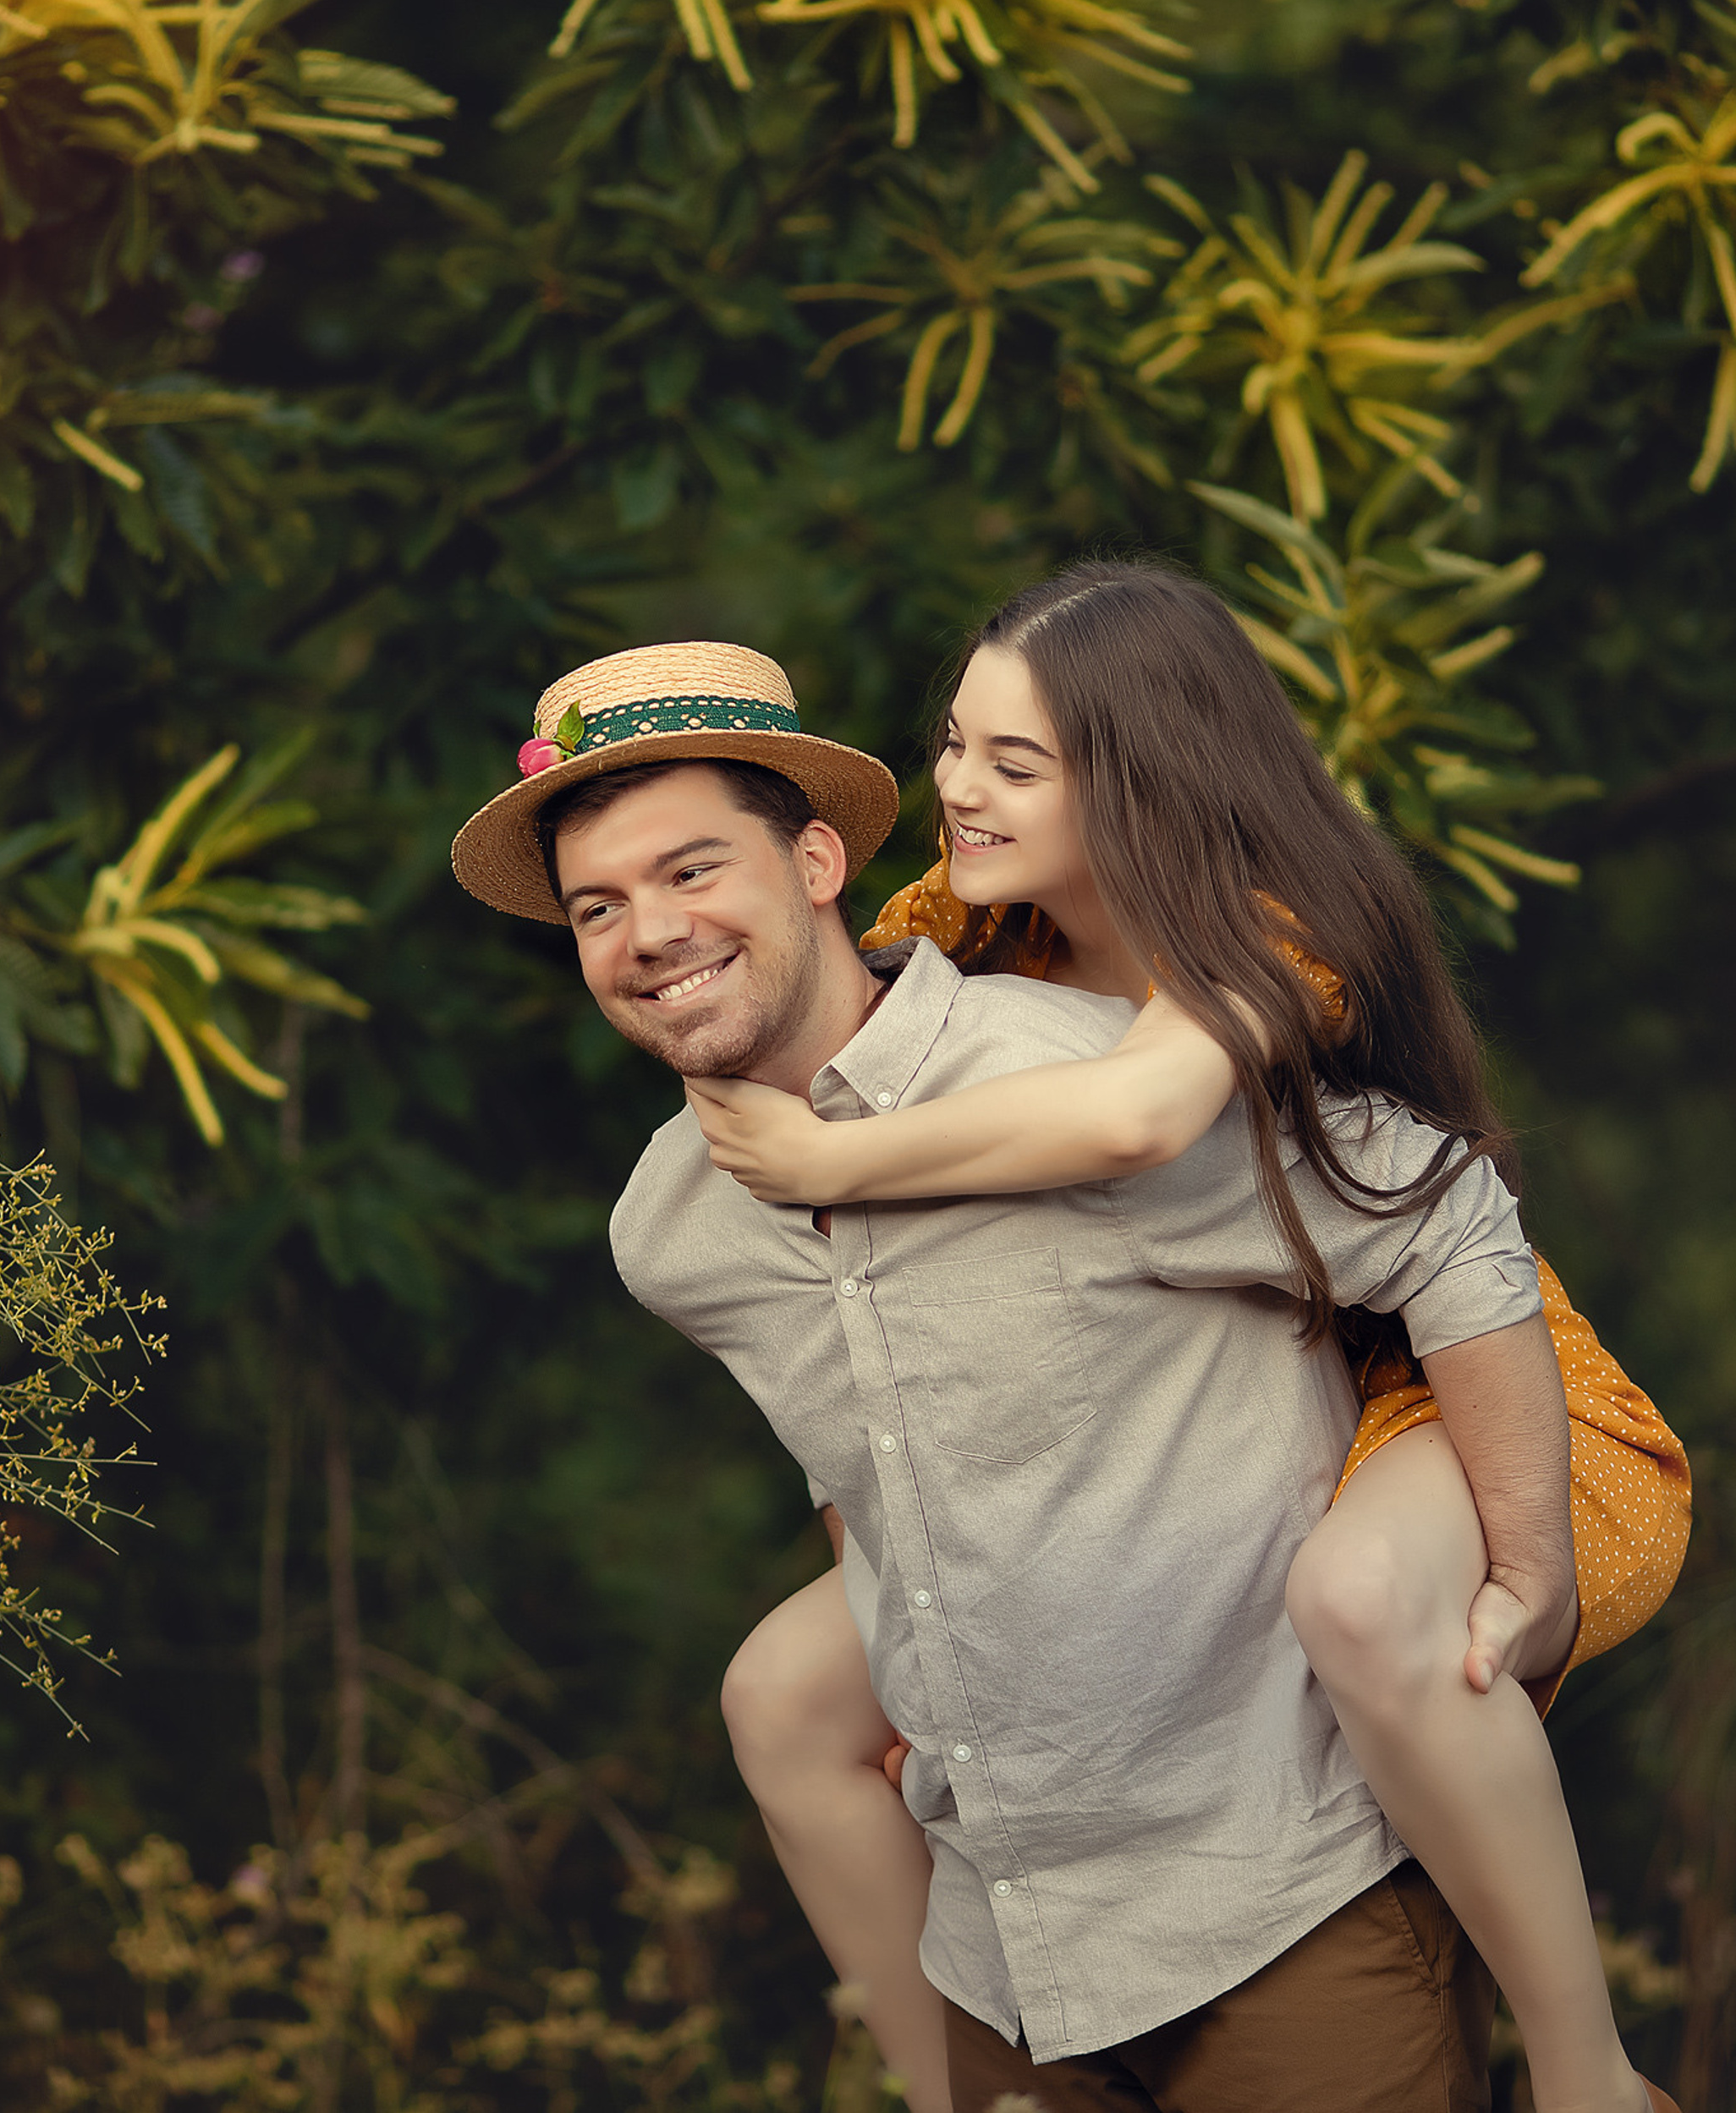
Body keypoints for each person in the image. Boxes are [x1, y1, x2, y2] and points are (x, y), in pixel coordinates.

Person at [446, 634, 1629, 2111]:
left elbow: (1442, 1208)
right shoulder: (670, 1229)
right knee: (776, 1691)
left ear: (816, 861)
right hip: (1003, 1968)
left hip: (1275, 1909)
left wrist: (1535, 1561)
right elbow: (857, 1463)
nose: (650, 933)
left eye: (694, 871)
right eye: (598, 906)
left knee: (1364, 1598)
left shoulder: (1086, 1078)